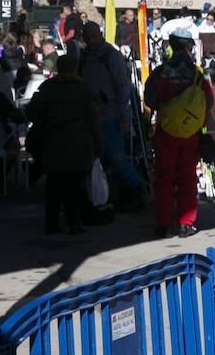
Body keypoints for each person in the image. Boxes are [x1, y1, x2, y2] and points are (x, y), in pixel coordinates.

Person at [144, 27, 215, 238]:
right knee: (187, 177)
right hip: (190, 133)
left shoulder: (159, 72)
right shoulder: (197, 74)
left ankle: (163, 224)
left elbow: (150, 100)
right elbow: (208, 101)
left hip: (166, 130)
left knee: (164, 177)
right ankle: (186, 223)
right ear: (188, 46)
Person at [26, 53, 102, 235]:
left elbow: (30, 113)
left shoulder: (48, 88)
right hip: (79, 145)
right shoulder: (84, 90)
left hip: (52, 145)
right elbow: (94, 122)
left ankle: (51, 224)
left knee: (53, 186)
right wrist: (99, 146)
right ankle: (74, 223)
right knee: (74, 187)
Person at [80, 22, 145, 211]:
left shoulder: (111, 56)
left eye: (94, 37)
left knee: (117, 157)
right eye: (88, 37)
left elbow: (122, 88)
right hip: (90, 116)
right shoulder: (84, 57)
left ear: (100, 35)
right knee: (94, 158)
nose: (91, 41)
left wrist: (125, 118)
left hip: (110, 115)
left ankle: (134, 190)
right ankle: (101, 194)